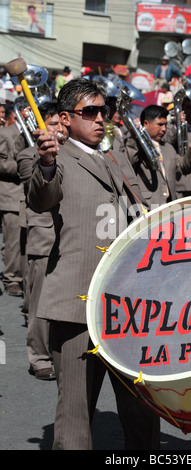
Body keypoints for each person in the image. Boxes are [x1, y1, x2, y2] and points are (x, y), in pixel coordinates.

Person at [26, 78, 160, 450]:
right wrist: (48, 161)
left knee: (141, 404)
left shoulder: (113, 156)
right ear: (66, 119)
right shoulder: (57, 156)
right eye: (90, 112)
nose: (101, 118)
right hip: (77, 301)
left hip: (127, 301)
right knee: (75, 410)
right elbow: (41, 196)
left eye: (105, 110)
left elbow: (138, 210)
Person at [17, 102, 66, 380]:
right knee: (39, 303)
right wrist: (47, 156)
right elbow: (33, 184)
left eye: (61, 123)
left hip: (68, 235)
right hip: (44, 234)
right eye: (52, 124)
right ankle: (39, 357)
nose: (58, 129)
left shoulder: (73, 153)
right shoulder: (27, 155)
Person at [123, 104, 191, 206]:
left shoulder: (168, 148)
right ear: (146, 124)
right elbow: (129, 162)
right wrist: (134, 138)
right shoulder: (135, 145)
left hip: (169, 205)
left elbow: (183, 167)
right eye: (160, 124)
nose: (164, 129)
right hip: (148, 206)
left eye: (165, 125)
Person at [0, 104, 27, 296]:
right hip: (11, 194)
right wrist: (23, 167)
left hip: (28, 195)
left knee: (25, 241)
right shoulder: (6, 133)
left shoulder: (34, 131)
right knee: (13, 242)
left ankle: (23, 275)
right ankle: (11, 278)